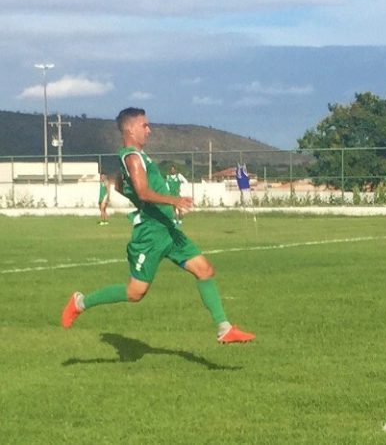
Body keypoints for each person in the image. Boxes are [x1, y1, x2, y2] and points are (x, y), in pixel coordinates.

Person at [61, 107, 254, 344]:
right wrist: (173, 200)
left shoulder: (136, 157)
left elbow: (121, 186)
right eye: (144, 125)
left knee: (205, 270)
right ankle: (80, 303)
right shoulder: (133, 158)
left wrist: (152, 204)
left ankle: (224, 328)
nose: (149, 130)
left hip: (168, 230)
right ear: (130, 129)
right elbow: (142, 191)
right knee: (135, 293)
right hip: (151, 234)